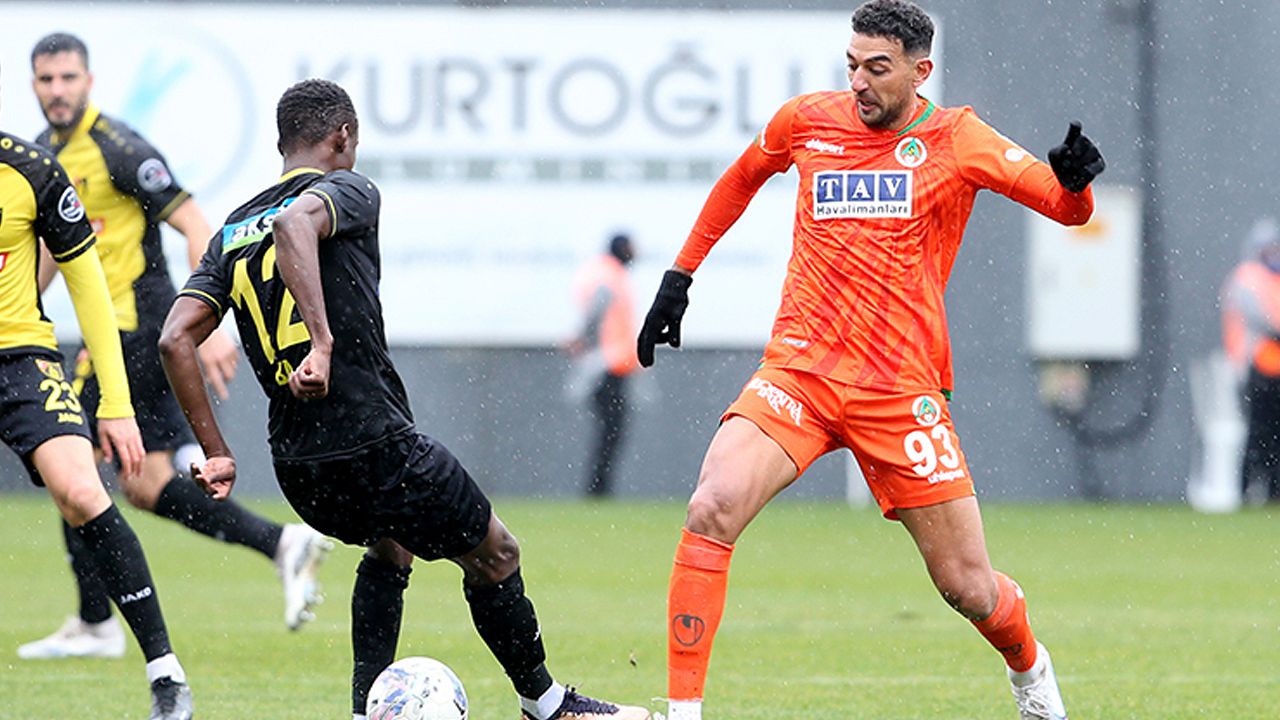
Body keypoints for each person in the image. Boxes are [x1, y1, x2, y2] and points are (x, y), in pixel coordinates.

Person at [635, 2, 1105, 719]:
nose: (859, 81)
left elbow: (1066, 210)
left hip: (898, 391)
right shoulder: (807, 121)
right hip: (800, 374)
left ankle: (1030, 667)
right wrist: (680, 276)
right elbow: (740, 178)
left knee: (967, 587)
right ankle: (683, 713)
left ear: (921, 71)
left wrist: (1074, 184)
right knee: (711, 507)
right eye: (852, 65)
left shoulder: (957, 138)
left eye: (877, 68)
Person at [158, 78, 650, 720]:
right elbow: (292, 223)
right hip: (373, 443)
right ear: (344, 137)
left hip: (299, 467)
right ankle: (548, 705)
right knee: (497, 554)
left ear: (283, 144)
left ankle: (365, 711)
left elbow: (175, 338)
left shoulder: (229, 231)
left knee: (390, 545)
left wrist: (219, 451)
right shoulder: (345, 189)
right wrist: (323, 344)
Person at [19, 32, 330, 661]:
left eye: (68, 78)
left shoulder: (120, 148)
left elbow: (194, 224)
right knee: (145, 482)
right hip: (120, 337)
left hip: (135, 328)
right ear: (34, 85)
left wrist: (205, 324)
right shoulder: (45, 154)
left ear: (89, 82)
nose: (57, 90)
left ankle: (96, 622)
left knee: (72, 459)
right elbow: (50, 251)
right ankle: (280, 543)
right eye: (47, 79)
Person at [0, 96, 193, 717]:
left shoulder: (31, 170)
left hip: (19, 358)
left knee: (82, 492)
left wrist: (116, 402)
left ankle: (166, 676)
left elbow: (89, 292)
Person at [568, 232, 640, 497]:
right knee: (610, 431)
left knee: (610, 431)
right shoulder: (610, 276)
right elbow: (597, 312)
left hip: (613, 364)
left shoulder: (608, 273)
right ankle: (598, 488)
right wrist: (582, 338)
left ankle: (599, 487)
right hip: (607, 366)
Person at [1221, 217, 1280, 504]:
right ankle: (1246, 490)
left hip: (1273, 368)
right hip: (1255, 367)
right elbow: (1261, 319)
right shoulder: (1246, 277)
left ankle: (1273, 491)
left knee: (1274, 433)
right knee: (1258, 431)